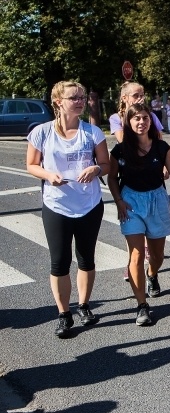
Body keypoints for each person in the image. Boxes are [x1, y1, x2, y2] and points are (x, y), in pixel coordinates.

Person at [26, 81, 110, 338]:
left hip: (89, 205)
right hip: (57, 205)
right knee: (60, 262)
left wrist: (96, 168)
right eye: (74, 97)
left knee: (86, 258)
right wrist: (48, 175)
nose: (80, 101)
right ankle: (64, 314)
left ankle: (84, 306)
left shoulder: (92, 132)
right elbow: (31, 164)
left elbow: (106, 164)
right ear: (59, 102)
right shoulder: (41, 132)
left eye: (82, 97)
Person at [107, 103, 170, 325]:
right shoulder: (120, 150)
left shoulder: (161, 147)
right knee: (136, 256)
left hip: (157, 200)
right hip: (130, 203)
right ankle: (142, 306)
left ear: (150, 121)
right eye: (136, 118)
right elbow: (111, 178)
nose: (141, 122)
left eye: (145, 118)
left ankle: (152, 274)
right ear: (128, 122)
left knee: (157, 257)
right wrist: (118, 201)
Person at [108, 82, 164, 281]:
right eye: (135, 95)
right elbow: (124, 141)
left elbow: (159, 141)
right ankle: (132, 263)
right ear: (124, 98)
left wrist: (163, 164)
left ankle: (151, 271)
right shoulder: (116, 118)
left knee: (157, 251)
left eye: (142, 94)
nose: (140, 98)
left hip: (152, 178)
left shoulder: (151, 116)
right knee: (134, 238)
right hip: (129, 177)